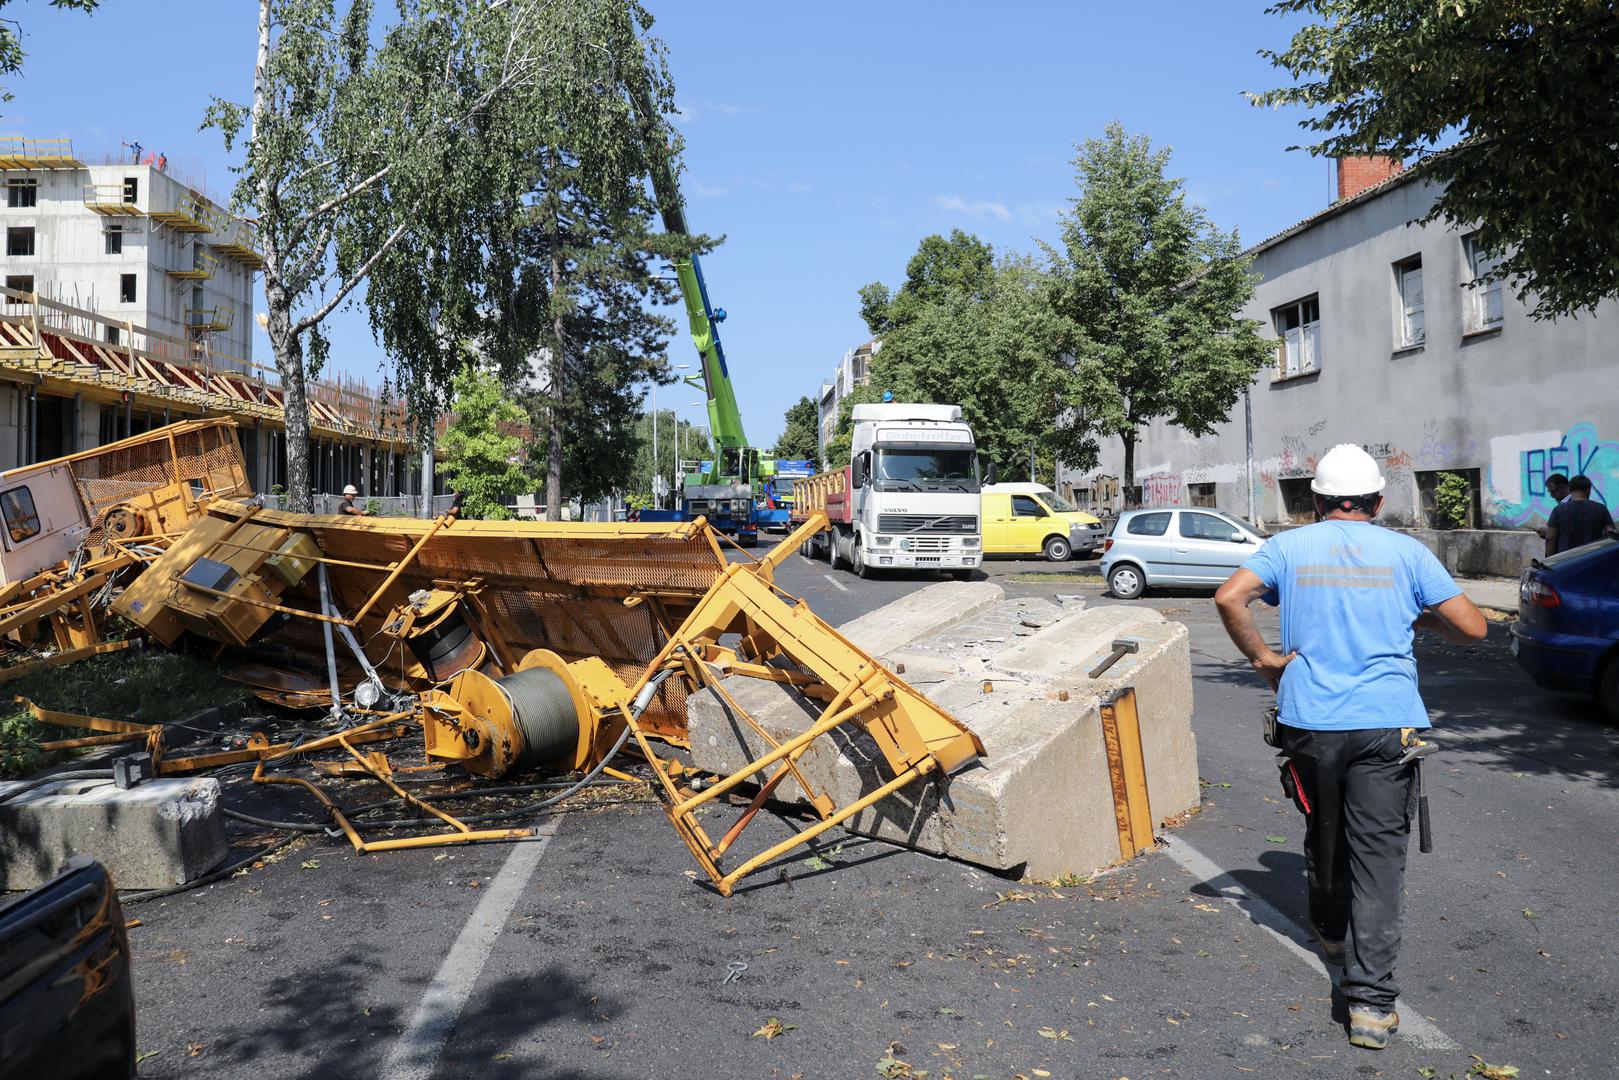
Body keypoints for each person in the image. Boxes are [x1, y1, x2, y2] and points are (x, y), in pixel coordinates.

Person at [1214, 444, 1486, 1051]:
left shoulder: (1288, 547)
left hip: (1310, 721)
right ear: (1379, 501)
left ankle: (1331, 930)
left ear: (1314, 502)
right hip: (1388, 725)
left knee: (1323, 827)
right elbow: (1473, 627)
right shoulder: (1407, 553)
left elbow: (1230, 597)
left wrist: (1264, 661)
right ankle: (1370, 1003)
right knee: (1380, 859)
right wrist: (1420, 618)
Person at [1543, 474, 1615, 556]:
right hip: (1593, 558)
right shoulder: (1601, 508)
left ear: (1570, 489)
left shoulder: (1558, 510)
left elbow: (1551, 538)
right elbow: (1611, 533)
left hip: (1566, 560)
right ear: (1588, 489)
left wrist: (1550, 560)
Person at [1535, 473, 1570, 541]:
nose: (1552, 496)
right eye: (1550, 492)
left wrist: (1549, 533)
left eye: (1553, 491)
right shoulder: (1562, 506)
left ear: (1564, 487)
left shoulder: (1562, 509)